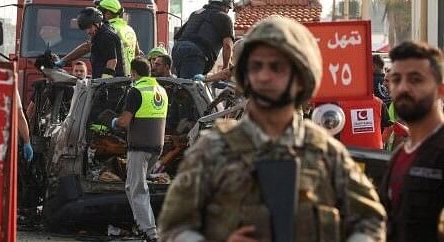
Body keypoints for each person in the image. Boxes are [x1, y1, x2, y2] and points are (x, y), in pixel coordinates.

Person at [159, 16, 386, 242]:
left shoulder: (326, 153)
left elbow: (371, 221)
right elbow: (173, 227)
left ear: (301, 77)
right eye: (256, 66)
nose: (264, 76)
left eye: (276, 67)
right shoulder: (213, 149)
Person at [378, 41, 444, 242]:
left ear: (440, 91)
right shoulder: (399, 156)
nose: (403, 87)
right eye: (396, 80)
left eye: (415, 79)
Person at [106, 57, 168, 242]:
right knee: (132, 186)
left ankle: (149, 232)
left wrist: (113, 122)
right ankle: (140, 224)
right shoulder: (161, 90)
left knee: (137, 189)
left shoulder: (136, 90)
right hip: (157, 148)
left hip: (139, 147)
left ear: (133, 73)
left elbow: (124, 121)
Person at [171, 0, 235, 78]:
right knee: (190, 88)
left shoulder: (196, 13)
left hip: (178, 49)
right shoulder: (224, 17)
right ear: (225, 6)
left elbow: (177, 37)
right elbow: (228, 45)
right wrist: (225, 67)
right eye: (228, 8)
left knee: (180, 84)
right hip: (196, 53)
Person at [56, 7, 125, 79]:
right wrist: (63, 60)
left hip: (113, 85)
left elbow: (112, 61)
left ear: (97, 23)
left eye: (89, 28)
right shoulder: (99, 33)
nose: (88, 32)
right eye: (86, 29)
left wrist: (104, 82)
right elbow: (86, 47)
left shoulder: (106, 36)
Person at [97, 0, 140, 73]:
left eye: (99, 11)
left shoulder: (108, 29)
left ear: (107, 13)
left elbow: (87, 47)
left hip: (114, 78)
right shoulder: (130, 29)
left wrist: (68, 59)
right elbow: (137, 53)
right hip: (129, 78)